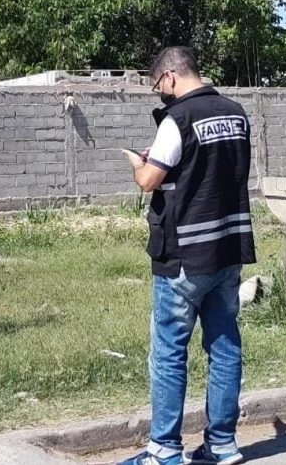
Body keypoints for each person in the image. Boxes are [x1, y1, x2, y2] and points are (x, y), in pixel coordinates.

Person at [119, 46, 256, 465]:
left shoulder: (177, 119)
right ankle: (222, 445)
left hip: (183, 255)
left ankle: (164, 451)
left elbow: (149, 180)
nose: (160, 93)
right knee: (224, 347)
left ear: (171, 77)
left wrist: (137, 164)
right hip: (228, 249)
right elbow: (212, 171)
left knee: (168, 352)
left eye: (157, 85)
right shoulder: (236, 114)